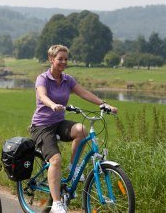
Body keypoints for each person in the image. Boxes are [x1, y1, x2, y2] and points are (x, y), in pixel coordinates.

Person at [29, 45, 117, 213]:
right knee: (55, 160)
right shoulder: (43, 78)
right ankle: (56, 203)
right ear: (51, 59)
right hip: (42, 126)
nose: (63, 62)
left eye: (66, 59)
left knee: (82, 130)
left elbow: (84, 93)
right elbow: (42, 95)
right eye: (60, 59)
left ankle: (73, 167)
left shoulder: (68, 79)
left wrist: (104, 104)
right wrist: (52, 104)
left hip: (58, 123)